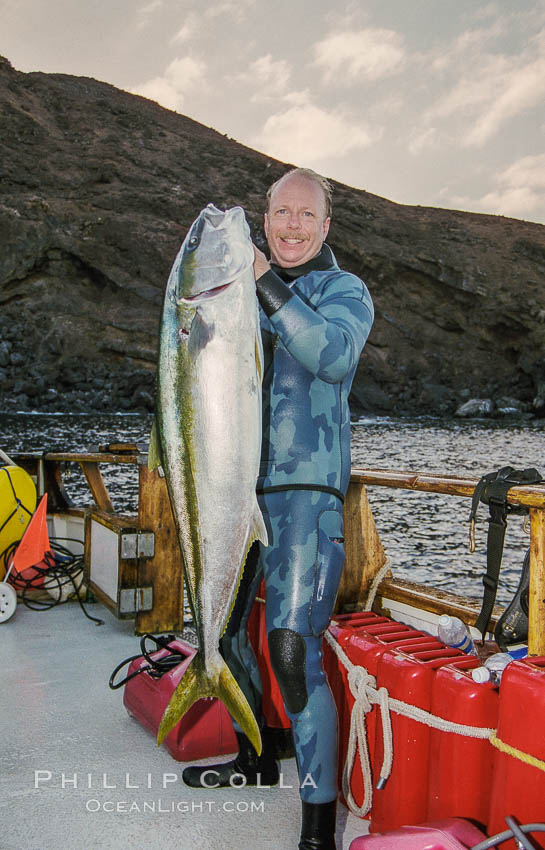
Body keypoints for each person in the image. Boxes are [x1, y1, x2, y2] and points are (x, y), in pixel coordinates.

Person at [182, 168, 374, 850]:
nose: (290, 225)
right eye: (280, 212)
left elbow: (329, 356)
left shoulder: (341, 291)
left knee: (291, 650)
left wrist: (263, 281)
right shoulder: (231, 292)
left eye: (305, 215)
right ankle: (253, 759)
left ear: (323, 228)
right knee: (223, 637)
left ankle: (318, 827)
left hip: (304, 494)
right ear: (265, 220)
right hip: (230, 491)